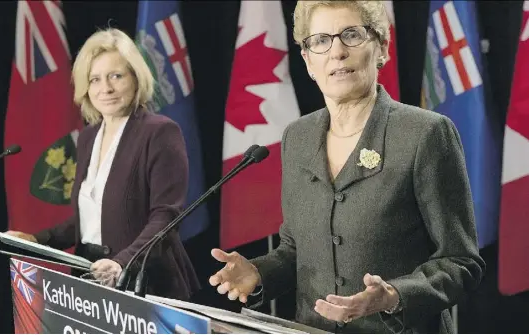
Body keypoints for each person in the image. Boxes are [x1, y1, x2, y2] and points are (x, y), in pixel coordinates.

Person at [208, 1, 485, 333]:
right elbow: (297, 250)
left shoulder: (425, 134)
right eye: (321, 40)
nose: (337, 51)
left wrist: (395, 296)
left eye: (351, 35)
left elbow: (461, 262)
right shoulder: (297, 138)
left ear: (381, 47)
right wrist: (258, 272)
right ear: (308, 60)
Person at [7, 28, 200, 301]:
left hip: (146, 283)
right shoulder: (88, 136)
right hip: (90, 279)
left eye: (116, 76)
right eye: (95, 79)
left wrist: (123, 262)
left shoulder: (160, 132)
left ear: (136, 77)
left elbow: (166, 218)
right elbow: (90, 217)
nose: (105, 88)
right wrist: (36, 240)